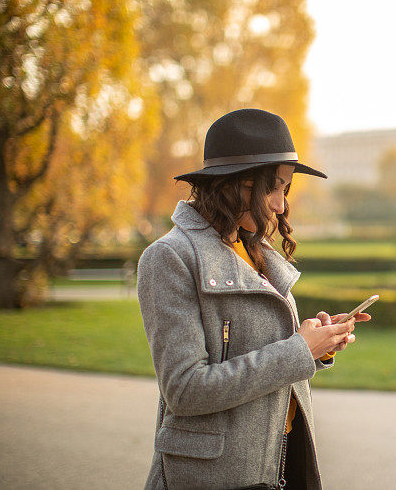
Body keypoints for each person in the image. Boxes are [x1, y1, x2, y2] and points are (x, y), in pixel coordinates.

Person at [137, 108, 371, 489]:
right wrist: (299, 350)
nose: (280, 205)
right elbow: (185, 390)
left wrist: (317, 340)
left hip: (283, 459)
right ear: (240, 185)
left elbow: (264, 350)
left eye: (285, 189)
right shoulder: (170, 257)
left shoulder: (253, 249)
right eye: (274, 187)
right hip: (218, 477)